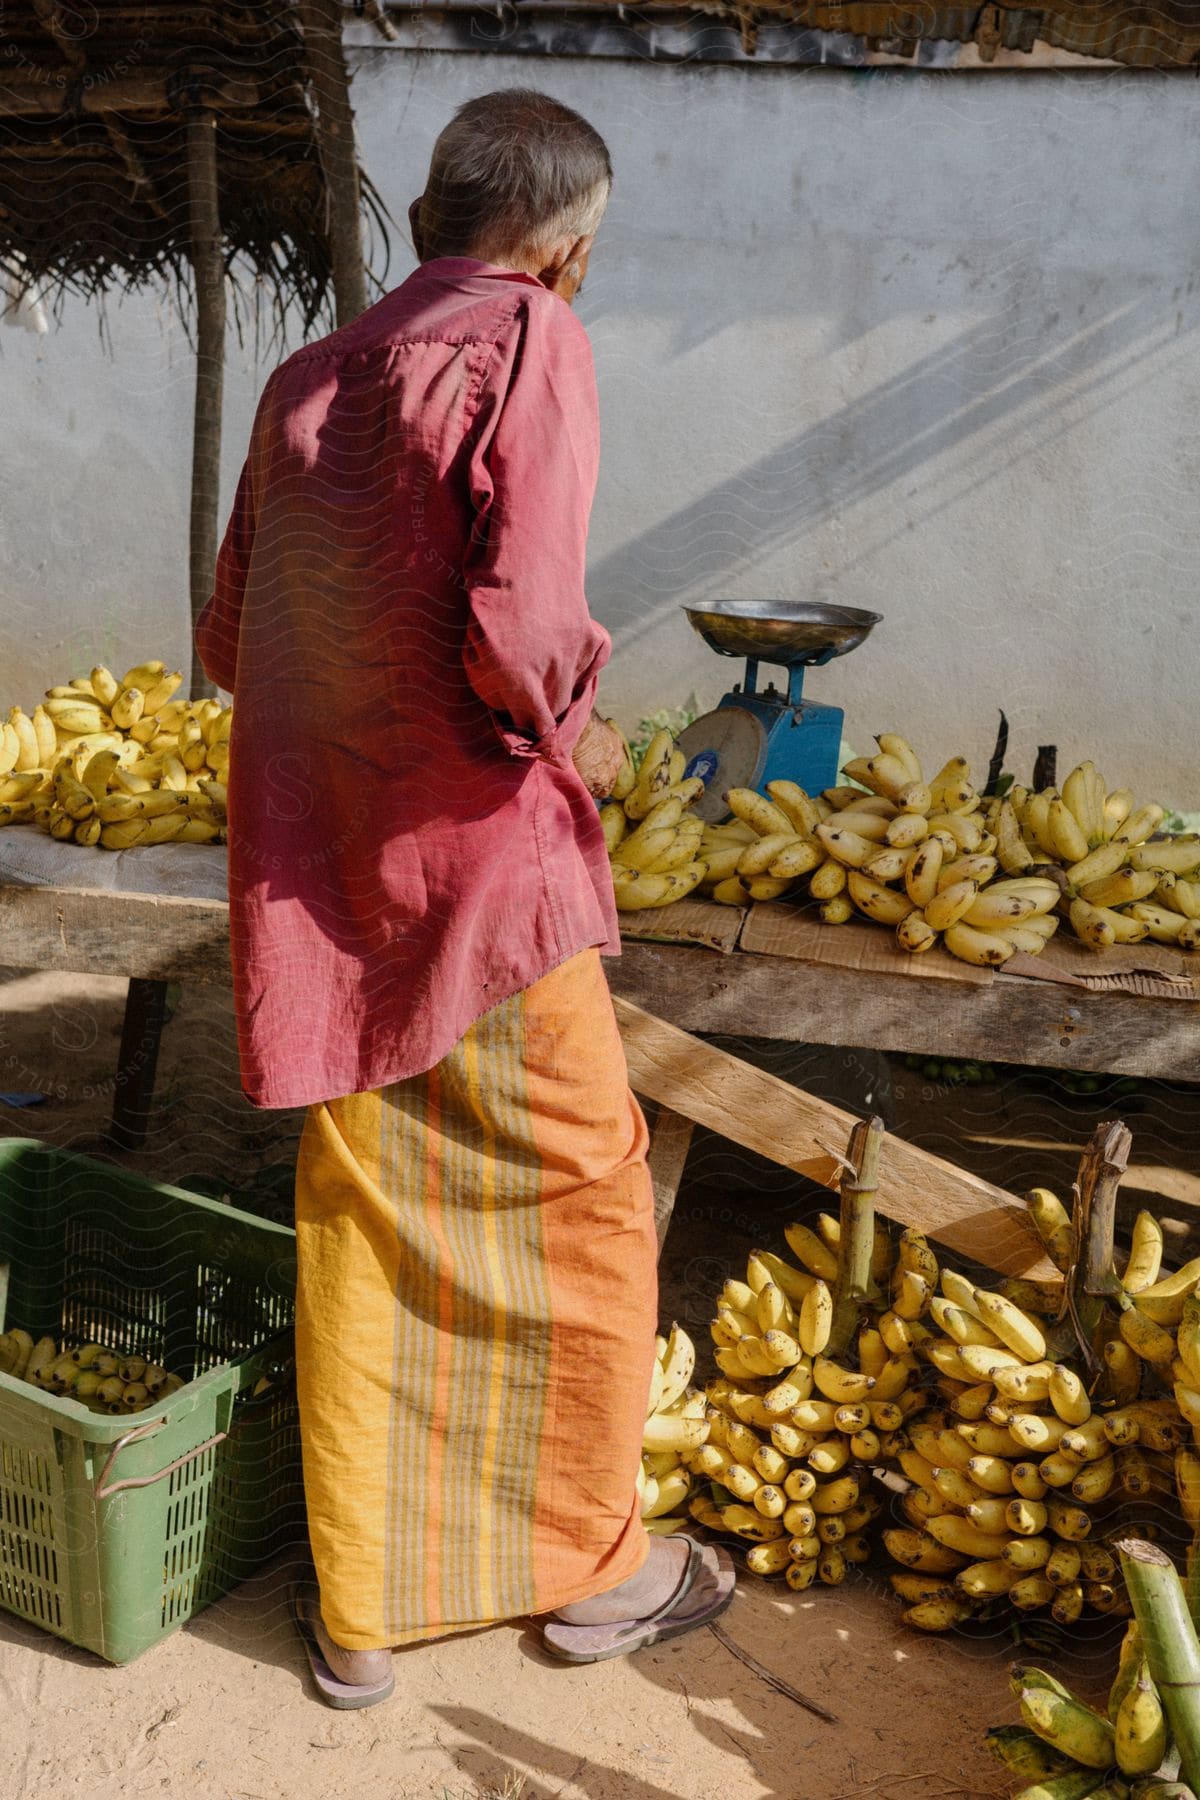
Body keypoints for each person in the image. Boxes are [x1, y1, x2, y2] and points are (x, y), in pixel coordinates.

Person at [195, 87, 733, 1709]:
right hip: (476, 872)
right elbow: (516, 631)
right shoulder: (528, 345)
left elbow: (232, 639)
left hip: (323, 874)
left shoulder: (305, 376)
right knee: (582, 1194)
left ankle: (363, 1610)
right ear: (561, 250)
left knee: (374, 1212)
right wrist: (581, 721)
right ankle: (592, 1572)